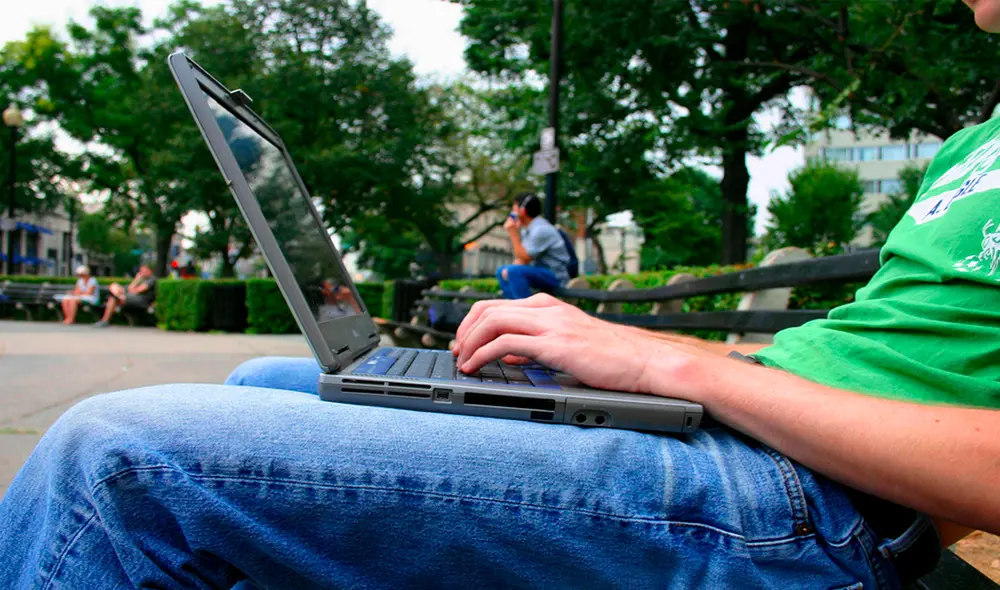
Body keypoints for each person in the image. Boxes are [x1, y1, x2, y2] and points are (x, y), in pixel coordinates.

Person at [3, 3, 1000, 587]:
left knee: (119, 460)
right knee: (265, 375)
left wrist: (668, 361)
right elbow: (873, 353)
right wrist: (647, 358)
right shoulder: (969, 143)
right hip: (749, 437)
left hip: (815, 508)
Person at [496, 192, 571, 299]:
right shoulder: (528, 229)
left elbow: (524, 257)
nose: (512, 214)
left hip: (555, 275)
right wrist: (507, 271)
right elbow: (520, 260)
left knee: (513, 271)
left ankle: (525, 310)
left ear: (522, 211)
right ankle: (512, 307)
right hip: (539, 271)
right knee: (502, 270)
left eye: (514, 210)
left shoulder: (540, 230)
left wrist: (513, 233)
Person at [92, 264, 157, 328]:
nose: (142, 273)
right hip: (131, 298)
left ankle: (105, 320)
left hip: (141, 300)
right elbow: (129, 289)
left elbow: (136, 291)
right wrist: (135, 281)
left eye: (144, 271)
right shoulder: (141, 280)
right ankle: (118, 298)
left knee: (113, 298)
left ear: (150, 271)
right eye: (141, 271)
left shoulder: (151, 280)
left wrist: (135, 282)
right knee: (114, 287)